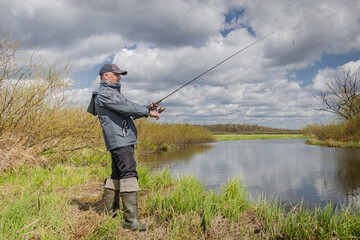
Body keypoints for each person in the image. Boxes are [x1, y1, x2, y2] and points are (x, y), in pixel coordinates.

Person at [87, 63, 160, 231]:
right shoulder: (105, 93)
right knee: (129, 174)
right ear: (105, 76)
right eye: (116, 74)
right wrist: (147, 112)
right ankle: (130, 221)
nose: (119, 77)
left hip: (121, 139)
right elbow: (127, 107)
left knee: (117, 175)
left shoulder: (112, 94)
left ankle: (111, 213)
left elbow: (128, 111)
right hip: (121, 140)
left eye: (120, 75)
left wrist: (147, 109)